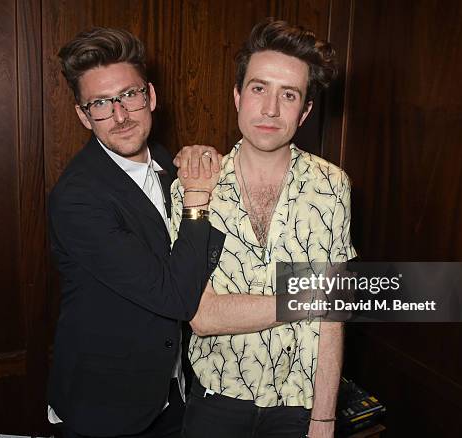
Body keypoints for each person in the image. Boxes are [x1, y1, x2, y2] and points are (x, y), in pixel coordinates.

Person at [170, 19, 357, 438]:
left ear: (305, 111)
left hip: (300, 406)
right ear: (237, 95)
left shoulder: (332, 186)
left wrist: (324, 419)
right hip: (216, 400)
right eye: (258, 88)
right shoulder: (194, 186)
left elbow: (332, 320)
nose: (271, 109)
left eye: (288, 95)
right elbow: (202, 315)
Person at [47, 27, 225, 438]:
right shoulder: (76, 199)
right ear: (82, 115)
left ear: (151, 96)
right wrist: (198, 197)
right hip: (107, 407)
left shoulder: (163, 158)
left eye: (129, 95)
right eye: (101, 104)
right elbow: (174, 296)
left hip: (172, 391)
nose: (121, 116)